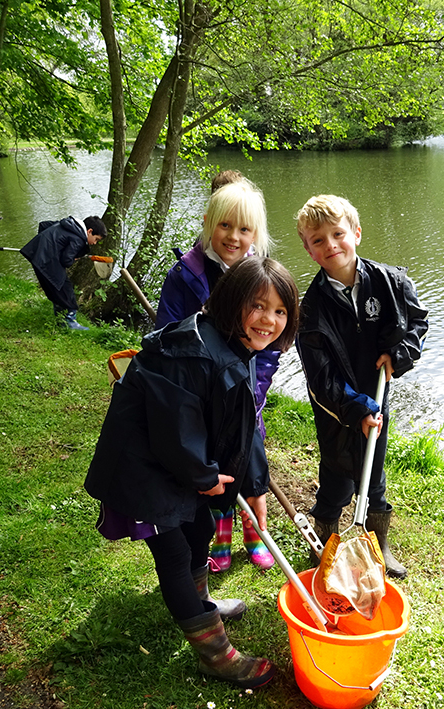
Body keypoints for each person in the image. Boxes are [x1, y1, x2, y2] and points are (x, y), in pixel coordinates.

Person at [84, 256, 300, 689]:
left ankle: (202, 600)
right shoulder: (193, 351)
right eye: (258, 306)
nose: (269, 320)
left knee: (200, 527)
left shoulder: (238, 347)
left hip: (176, 467)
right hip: (143, 469)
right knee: (174, 555)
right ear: (232, 300)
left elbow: (242, 425)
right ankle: (215, 654)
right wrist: (203, 476)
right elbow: (173, 429)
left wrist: (254, 483)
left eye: (280, 311)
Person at [294, 194, 428, 579]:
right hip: (338, 408)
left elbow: (418, 323)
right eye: (318, 240)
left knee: (376, 473)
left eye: (338, 234)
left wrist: (400, 353)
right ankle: (325, 540)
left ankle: (378, 543)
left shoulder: (392, 282)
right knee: (336, 474)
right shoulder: (311, 310)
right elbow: (321, 380)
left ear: (356, 232)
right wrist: (356, 408)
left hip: (378, 395)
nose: (331, 245)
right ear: (308, 249)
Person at [154, 177, 279, 574]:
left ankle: (254, 532)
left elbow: (272, 340)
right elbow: (164, 337)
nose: (233, 237)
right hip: (202, 396)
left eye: (244, 229)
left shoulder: (262, 275)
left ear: (256, 234)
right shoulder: (185, 275)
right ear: (209, 223)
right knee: (213, 470)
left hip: (245, 392)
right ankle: (219, 538)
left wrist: (255, 392)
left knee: (250, 462)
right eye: (225, 225)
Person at [20, 215, 107, 330]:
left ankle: (61, 319)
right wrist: (74, 258)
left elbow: (44, 225)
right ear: (89, 231)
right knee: (66, 291)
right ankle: (70, 323)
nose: (95, 243)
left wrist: (50, 245)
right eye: (96, 239)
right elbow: (66, 260)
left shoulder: (68, 224)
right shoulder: (79, 239)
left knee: (57, 290)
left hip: (37, 257)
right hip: (47, 262)